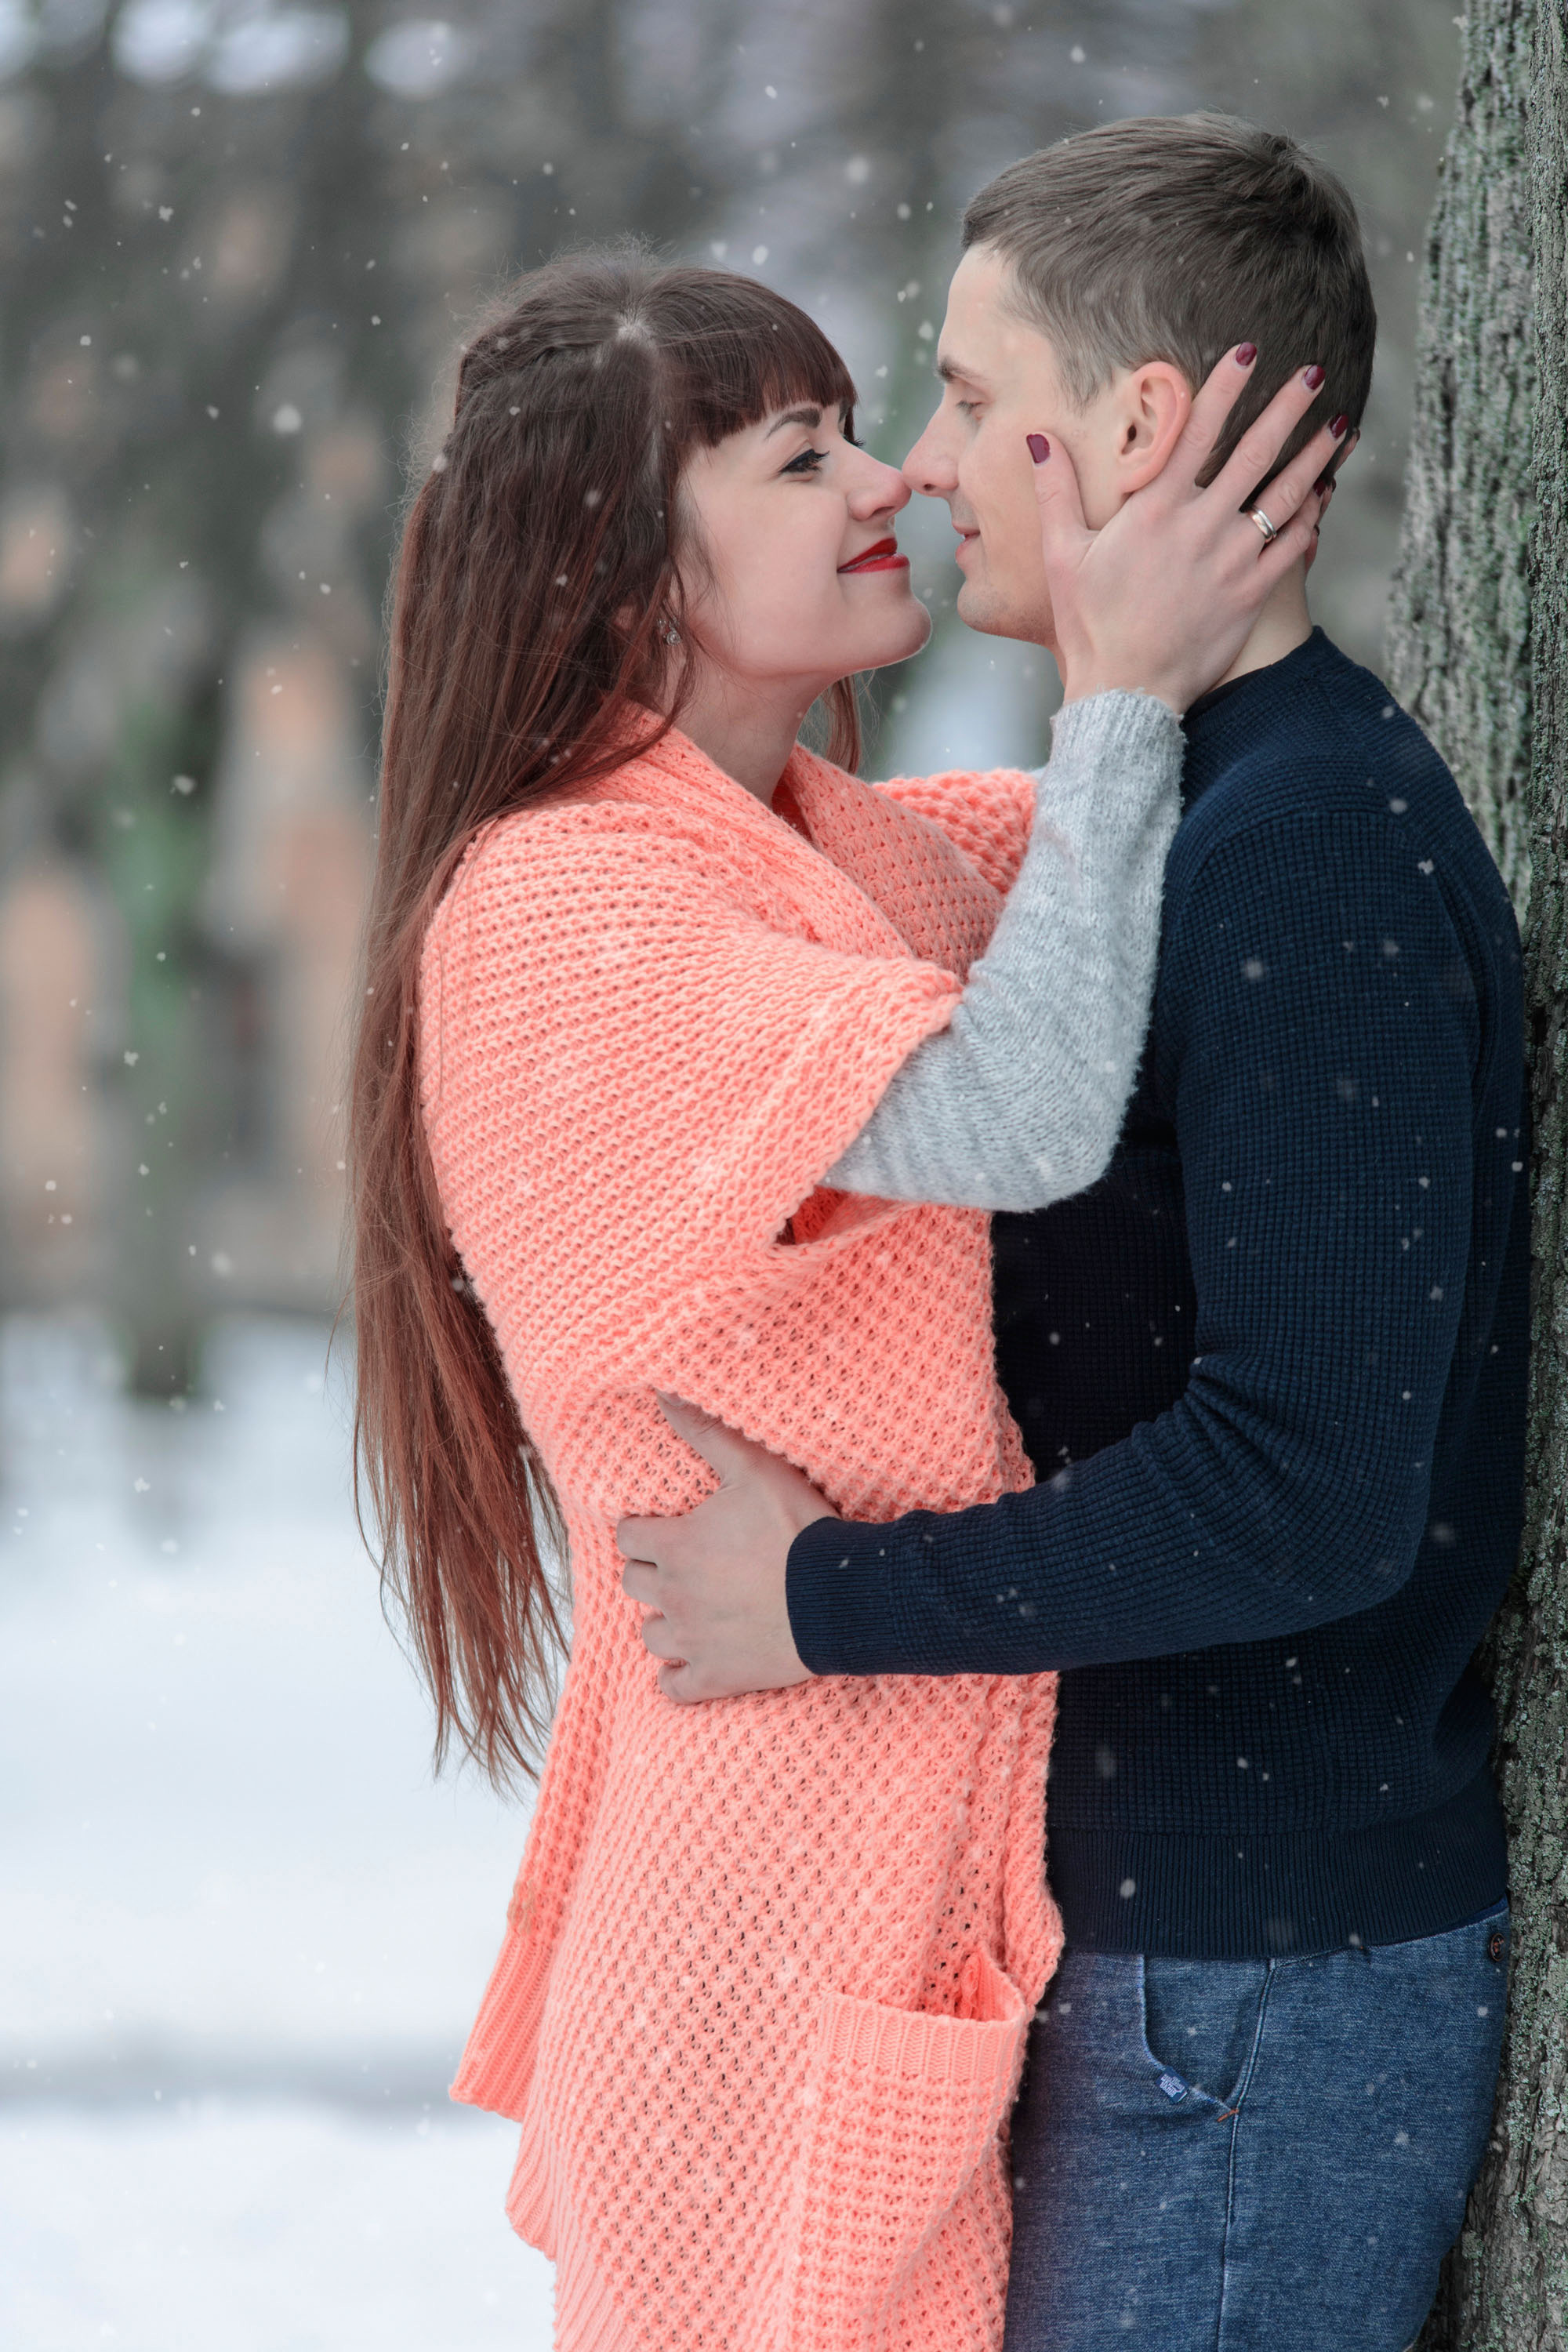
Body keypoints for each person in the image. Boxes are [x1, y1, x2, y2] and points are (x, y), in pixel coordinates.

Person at [349, 240, 1332, 2350]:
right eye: (806, 455)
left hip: (877, 1852)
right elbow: (1023, 1101)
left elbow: (1148, 865)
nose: (890, 478)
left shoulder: (821, 843)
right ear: (624, 576)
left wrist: (1166, 603)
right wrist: (1126, 684)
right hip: (766, 1927)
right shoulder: (563, 907)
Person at [618, 117, 1529, 2352]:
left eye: (954, 387)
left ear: (1131, 424)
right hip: (1174, 1967)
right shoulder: (1195, 814)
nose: (920, 466)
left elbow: (1310, 1489)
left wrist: (823, 1602)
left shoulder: (1305, 844)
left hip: (1253, 1995)